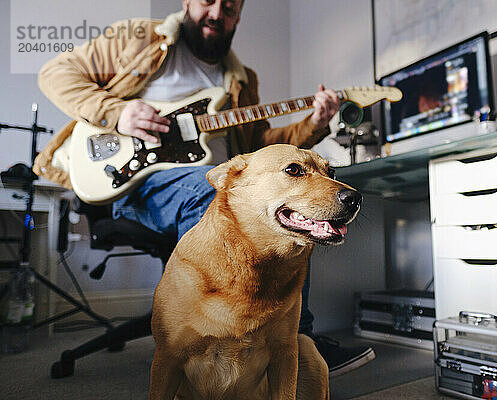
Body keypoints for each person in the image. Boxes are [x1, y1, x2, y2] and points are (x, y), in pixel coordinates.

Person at [34, 0, 375, 377]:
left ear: (239, 15)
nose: (217, 12)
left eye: (229, 7)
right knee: (216, 191)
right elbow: (55, 72)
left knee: (288, 214)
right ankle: (212, 342)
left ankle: (291, 340)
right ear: (187, 3)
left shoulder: (242, 78)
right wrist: (118, 112)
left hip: (213, 179)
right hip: (136, 182)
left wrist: (314, 122)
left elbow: (259, 144)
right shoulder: (139, 37)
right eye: (207, 1)